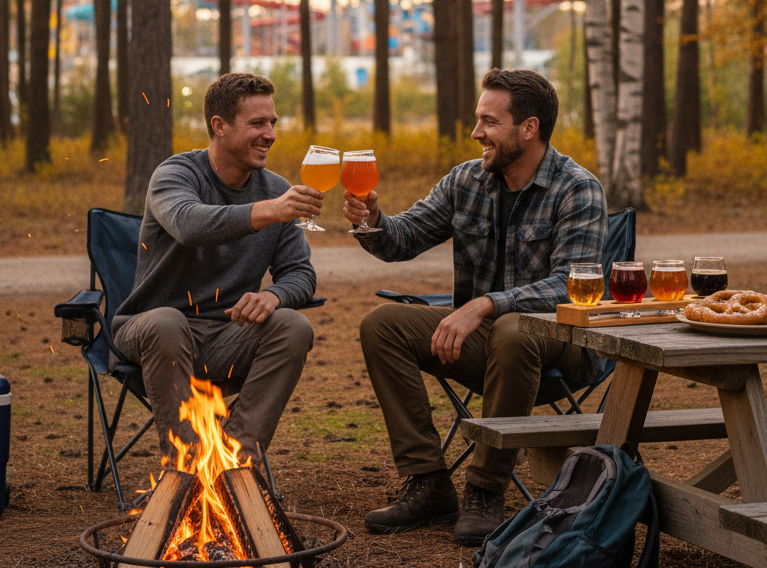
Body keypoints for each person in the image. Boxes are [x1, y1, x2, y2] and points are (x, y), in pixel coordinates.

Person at [345, 68, 607, 545]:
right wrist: (373, 219)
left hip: (563, 345)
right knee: (383, 324)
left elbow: (573, 285)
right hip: (486, 344)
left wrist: (486, 304)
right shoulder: (467, 180)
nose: (475, 132)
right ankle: (427, 481)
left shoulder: (577, 188)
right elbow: (402, 240)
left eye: (489, 121)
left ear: (528, 128)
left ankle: (486, 488)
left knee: (514, 329)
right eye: (476, 119)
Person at [114, 73, 321, 468]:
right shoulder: (175, 175)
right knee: (166, 323)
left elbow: (300, 273)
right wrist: (269, 211)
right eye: (257, 123)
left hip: (227, 335)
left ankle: (235, 464)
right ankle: (188, 468)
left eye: (273, 123)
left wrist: (273, 296)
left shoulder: (276, 187)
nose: (270, 134)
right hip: (152, 333)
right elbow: (190, 225)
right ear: (219, 126)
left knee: (294, 326)